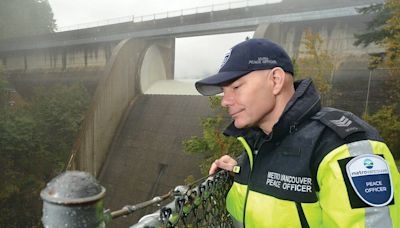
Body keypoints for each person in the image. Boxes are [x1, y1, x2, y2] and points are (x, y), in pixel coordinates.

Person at [195, 38, 400, 227]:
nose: (224, 101)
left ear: (275, 80)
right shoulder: (256, 148)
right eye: (224, 91)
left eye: (236, 87)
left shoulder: (344, 148)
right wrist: (242, 171)